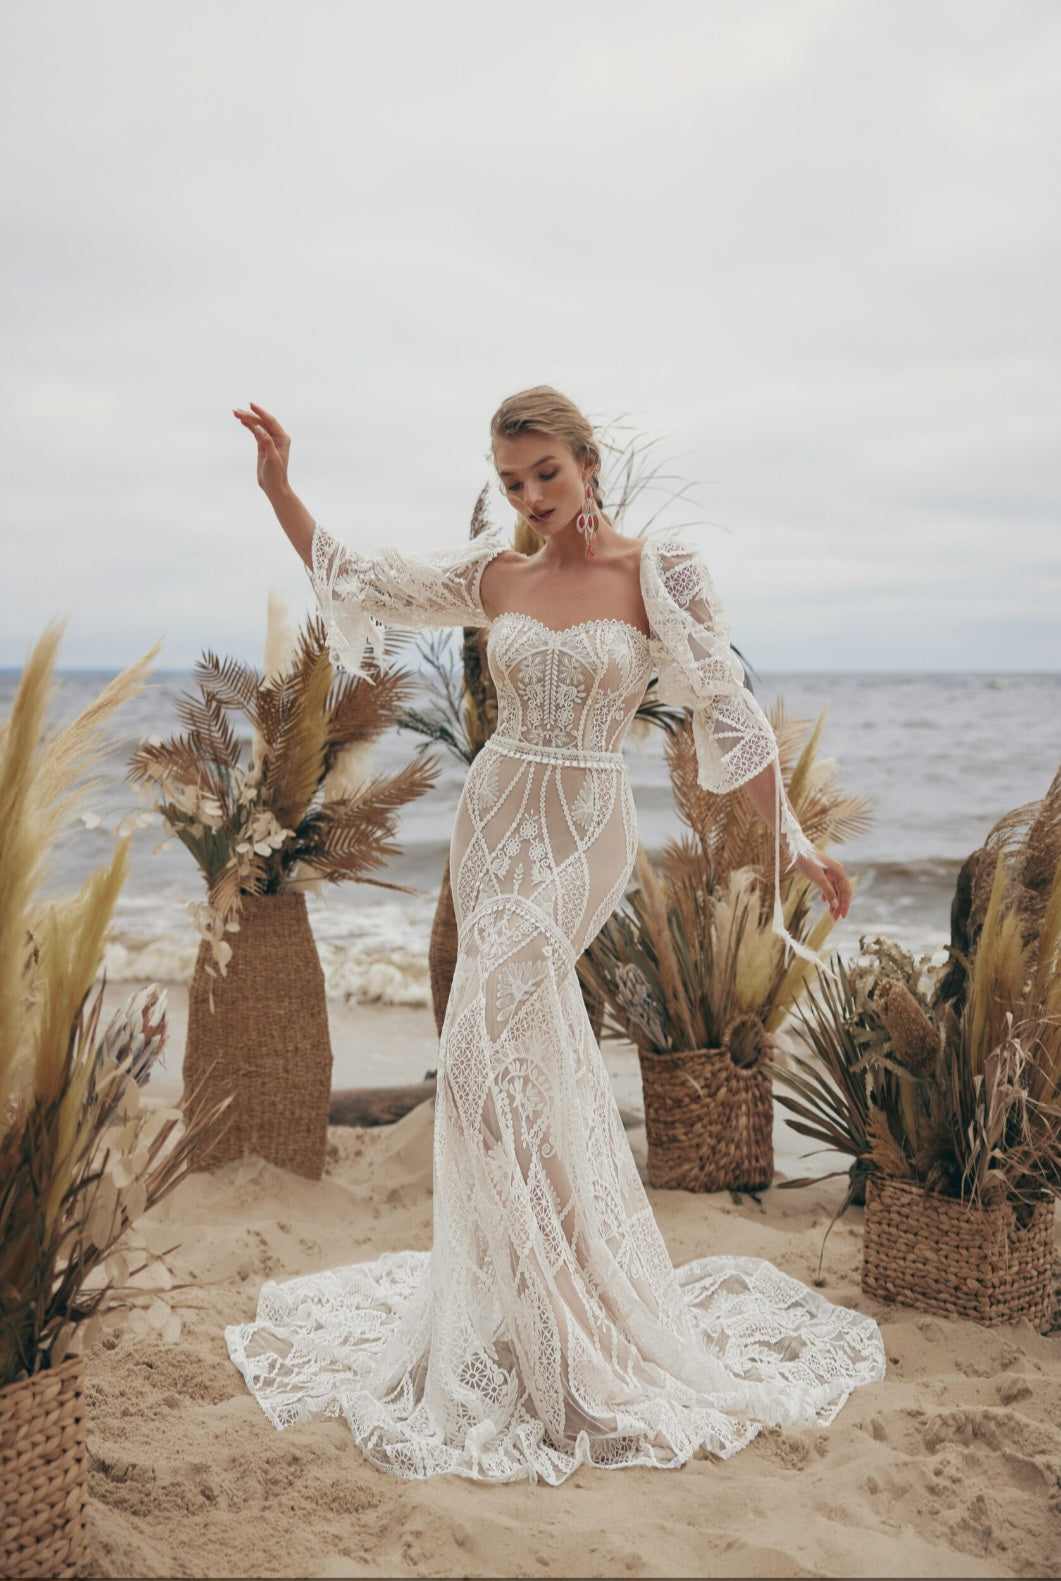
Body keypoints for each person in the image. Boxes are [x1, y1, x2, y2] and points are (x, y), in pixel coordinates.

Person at [225, 386, 884, 1484]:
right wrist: (279, 488)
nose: (530, 497)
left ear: (587, 463)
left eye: (547, 474)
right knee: (506, 1063)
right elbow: (358, 577)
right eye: (511, 480)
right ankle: (531, 1300)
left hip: (584, 825)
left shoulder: (654, 573)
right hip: (492, 820)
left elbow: (727, 707)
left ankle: (575, 1315)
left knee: (483, 1056)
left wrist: (796, 841)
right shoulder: (496, 572)